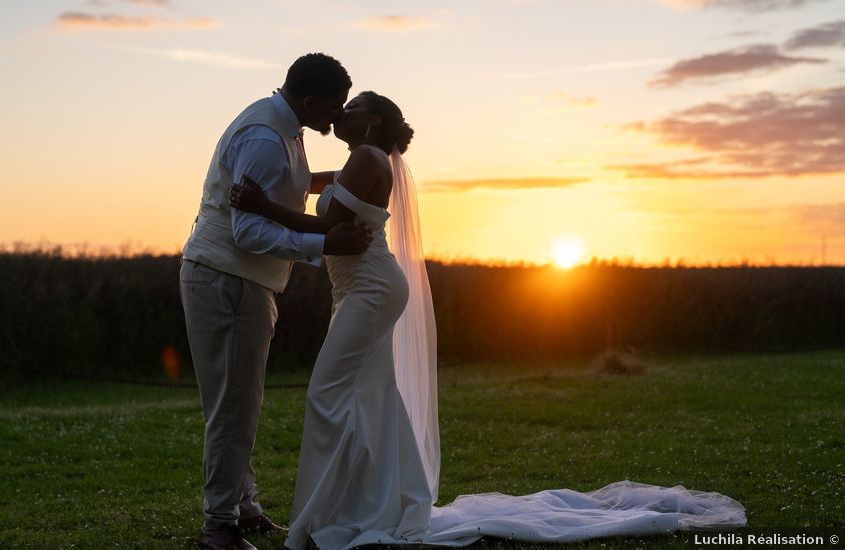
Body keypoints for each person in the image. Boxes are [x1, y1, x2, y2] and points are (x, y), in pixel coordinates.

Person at [231, 92, 747, 550]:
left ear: (370, 124)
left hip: (370, 290)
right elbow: (316, 187)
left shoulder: (367, 158)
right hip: (357, 292)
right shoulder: (359, 160)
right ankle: (369, 505)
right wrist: (284, 182)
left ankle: (327, 515)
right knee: (371, 398)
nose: (342, 112)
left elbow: (325, 226)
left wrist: (260, 206)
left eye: (353, 106)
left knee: (327, 393)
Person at [179, 53, 371, 550]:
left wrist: (338, 179)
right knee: (233, 407)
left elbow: (285, 189)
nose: (338, 114)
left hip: (240, 280)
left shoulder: (285, 128)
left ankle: (243, 509)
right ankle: (218, 525)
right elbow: (248, 231)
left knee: (238, 401)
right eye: (335, 104)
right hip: (228, 278)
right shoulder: (265, 138)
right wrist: (323, 245)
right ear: (310, 100)